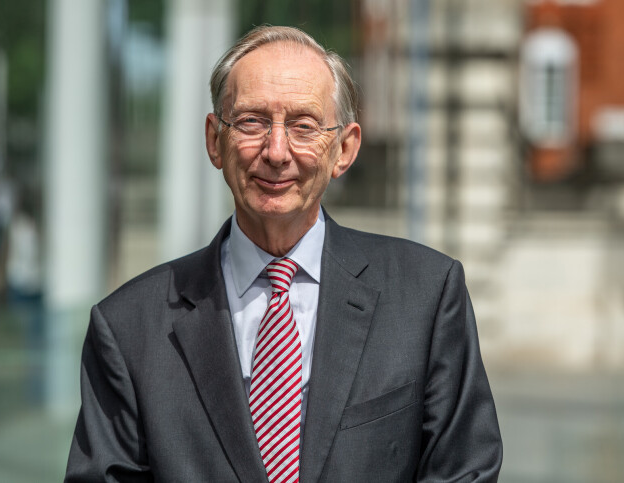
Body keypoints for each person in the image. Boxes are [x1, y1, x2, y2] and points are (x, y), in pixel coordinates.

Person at [65, 25, 502, 482]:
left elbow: (464, 471)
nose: (276, 152)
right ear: (215, 140)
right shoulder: (129, 328)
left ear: (344, 149)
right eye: (252, 122)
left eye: (303, 126)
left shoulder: (425, 297)